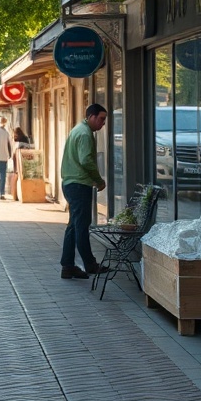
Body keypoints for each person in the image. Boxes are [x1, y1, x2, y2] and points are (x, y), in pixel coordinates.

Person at [60, 103, 109, 279]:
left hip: (71, 183)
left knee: (73, 225)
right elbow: (86, 160)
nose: (103, 123)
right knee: (81, 226)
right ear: (91, 117)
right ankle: (90, 264)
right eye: (101, 119)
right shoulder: (85, 134)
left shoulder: (78, 129)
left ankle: (68, 266)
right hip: (79, 185)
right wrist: (99, 180)